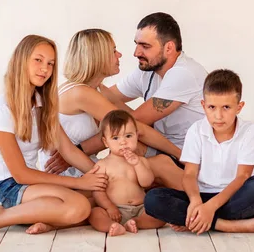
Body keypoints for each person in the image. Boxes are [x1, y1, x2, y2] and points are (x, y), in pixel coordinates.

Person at [0, 35, 108, 234]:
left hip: (32, 184)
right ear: (21, 61)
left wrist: (103, 176)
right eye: (38, 60)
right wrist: (79, 182)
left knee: (99, 197)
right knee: (80, 205)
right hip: (7, 188)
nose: (45, 69)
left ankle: (48, 223)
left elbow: (68, 150)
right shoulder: (2, 109)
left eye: (50, 63)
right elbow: (20, 174)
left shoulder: (41, 104)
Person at [144, 70, 254, 235]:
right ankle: (225, 225)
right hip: (203, 195)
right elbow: (189, 174)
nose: (218, 116)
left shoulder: (249, 132)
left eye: (226, 107)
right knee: (153, 199)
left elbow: (243, 177)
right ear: (203, 106)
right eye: (212, 107)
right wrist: (196, 201)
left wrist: (210, 208)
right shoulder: (196, 130)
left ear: (239, 107)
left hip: (236, 196)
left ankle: (195, 221)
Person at [38, 29, 181, 176]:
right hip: (67, 172)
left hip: (85, 166)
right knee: (160, 163)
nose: (119, 55)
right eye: (113, 51)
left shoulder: (98, 89)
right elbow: (138, 129)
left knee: (145, 155)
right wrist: (180, 155)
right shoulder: (81, 93)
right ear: (98, 56)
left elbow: (134, 121)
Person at [88, 110, 166, 236]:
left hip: (141, 208)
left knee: (161, 214)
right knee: (95, 213)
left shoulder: (141, 161)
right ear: (106, 142)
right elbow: (98, 191)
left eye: (128, 136)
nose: (123, 142)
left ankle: (136, 222)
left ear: (136, 135)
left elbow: (147, 183)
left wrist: (137, 164)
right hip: (115, 210)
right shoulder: (102, 165)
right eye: (115, 138)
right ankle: (112, 226)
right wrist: (109, 207)